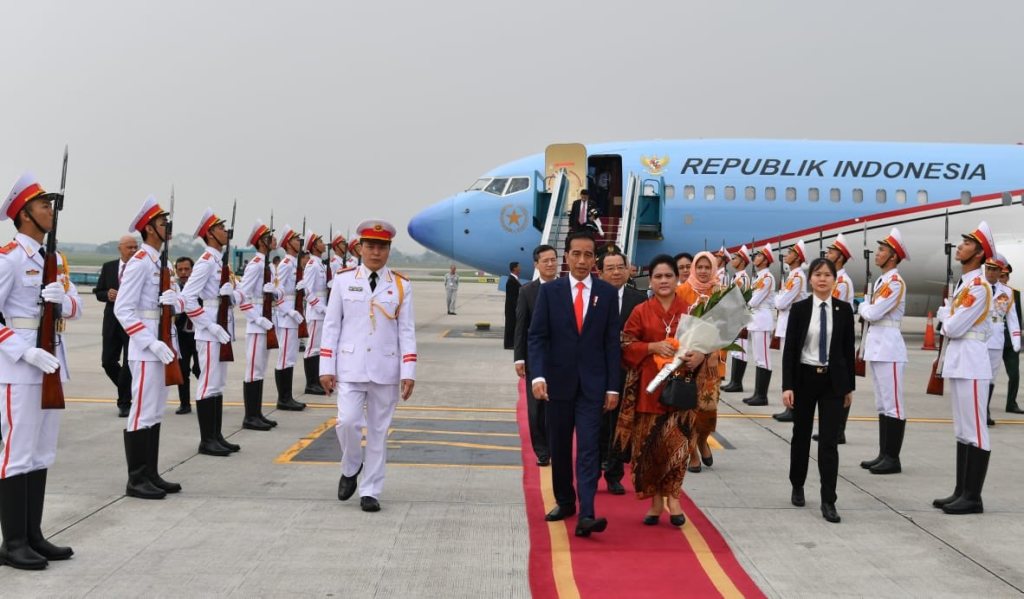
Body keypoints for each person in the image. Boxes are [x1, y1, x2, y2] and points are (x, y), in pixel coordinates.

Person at [0, 172, 83, 568]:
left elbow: (77, 309)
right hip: (19, 368)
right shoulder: (9, 259)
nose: (50, 210)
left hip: (51, 363)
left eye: (50, 204)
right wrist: (22, 351)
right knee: (17, 454)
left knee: (41, 454)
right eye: (43, 205)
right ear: (24, 214)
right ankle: (12, 542)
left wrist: (61, 300)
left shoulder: (53, 259)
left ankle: (33, 535)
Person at [528, 231, 621, 538]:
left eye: (588, 255)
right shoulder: (551, 292)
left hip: (593, 386)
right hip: (558, 383)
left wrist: (612, 387)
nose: (582, 261)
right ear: (566, 256)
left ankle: (588, 512)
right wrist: (538, 376)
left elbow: (611, 344)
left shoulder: (606, 295)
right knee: (559, 445)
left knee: (589, 449)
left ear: (595, 259)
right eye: (576, 254)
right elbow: (538, 337)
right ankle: (565, 501)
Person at [320, 220, 416, 513]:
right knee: (347, 422)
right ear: (360, 248)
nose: (376, 252)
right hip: (350, 365)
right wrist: (326, 366)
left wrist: (408, 371)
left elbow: (406, 331)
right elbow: (331, 325)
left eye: (382, 247)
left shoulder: (401, 285)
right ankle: (351, 466)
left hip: (385, 368)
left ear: (388, 250)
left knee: (378, 432)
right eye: (370, 246)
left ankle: (371, 489)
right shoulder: (343, 280)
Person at [616, 254, 716, 527]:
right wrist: (651, 347)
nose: (663, 281)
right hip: (650, 390)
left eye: (668, 276)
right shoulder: (641, 311)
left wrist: (698, 356)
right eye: (658, 276)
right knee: (648, 450)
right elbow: (626, 345)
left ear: (676, 279)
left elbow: (704, 345)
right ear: (651, 279)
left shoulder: (690, 310)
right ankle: (655, 501)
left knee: (678, 448)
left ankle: (673, 499)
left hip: (681, 391)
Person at [114, 196, 184, 500]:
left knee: (155, 411)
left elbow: (179, 300)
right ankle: (136, 478)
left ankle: (152, 473)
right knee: (141, 412)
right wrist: (150, 342)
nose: (167, 226)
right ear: (149, 228)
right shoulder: (140, 263)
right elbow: (123, 309)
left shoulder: (162, 262)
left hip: (163, 345)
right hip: (145, 349)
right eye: (162, 222)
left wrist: (175, 302)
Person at [781, 257, 855, 524]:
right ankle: (797, 484)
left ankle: (829, 500)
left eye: (827, 275)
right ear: (810, 279)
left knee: (828, 442)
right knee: (800, 435)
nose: (822, 279)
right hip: (804, 379)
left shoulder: (844, 310)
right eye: (817, 274)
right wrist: (787, 385)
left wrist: (848, 387)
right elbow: (789, 350)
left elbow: (847, 351)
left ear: (835, 280)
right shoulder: (799, 309)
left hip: (832, 382)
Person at [933, 221, 995, 515]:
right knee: (962, 430)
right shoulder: (965, 284)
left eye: (968, 243)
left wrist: (946, 319)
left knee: (976, 430)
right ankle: (961, 491)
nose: (960, 246)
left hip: (971, 362)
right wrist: (948, 319)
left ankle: (974, 497)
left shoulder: (979, 286)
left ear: (980, 253)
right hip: (959, 361)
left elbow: (954, 326)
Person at [181, 208, 243, 456]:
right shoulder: (206, 262)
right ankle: (206, 440)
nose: (225, 231)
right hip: (209, 331)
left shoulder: (219, 261)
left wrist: (232, 294)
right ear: (209, 233)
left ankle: (216, 435)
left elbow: (232, 295)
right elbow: (187, 298)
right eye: (219, 228)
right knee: (207, 383)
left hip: (221, 326)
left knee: (217, 383)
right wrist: (209, 325)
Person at [856, 228, 909, 475]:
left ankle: (893, 458)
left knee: (893, 404)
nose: (877, 255)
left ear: (893, 257)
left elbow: (874, 313)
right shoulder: (882, 281)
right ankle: (883, 454)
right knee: (882, 403)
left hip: (889, 347)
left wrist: (865, 306)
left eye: (881, 251)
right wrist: (868, 307)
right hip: (877, 346)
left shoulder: (895, 282)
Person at [596, 251, 646, 493]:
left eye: (620, 267)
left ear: (628, 270)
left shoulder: (639, 299)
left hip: (626, 371)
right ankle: (592, 471)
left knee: (621, 425)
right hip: (596, 371)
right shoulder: (593, 297)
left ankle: (614, 474)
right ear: (601, 272)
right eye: (610, 268)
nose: (616, 272)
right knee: (595, 423)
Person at [675, 251, 722, 472]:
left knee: (708, 409)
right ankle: (692, 450)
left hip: (712, 360)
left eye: (707, 267)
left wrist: (714, 352)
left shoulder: (721, 292)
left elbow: (726, 329)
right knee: (688, 408)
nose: (703, 271)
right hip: (688, 360)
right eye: (699, 267)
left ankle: (703, 439)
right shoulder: (681, 291)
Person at [514, 245, 558, 467]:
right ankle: (542, 451)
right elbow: (520, 326)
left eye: (553, 260)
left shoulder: (567, 288)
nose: (550, 264)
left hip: (561, 359)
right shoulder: (527, 291)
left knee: (558, 406)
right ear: (536, 264)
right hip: (536, 359)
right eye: (546, 261)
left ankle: (556, 447)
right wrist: (519, 358)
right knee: (536, 409)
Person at [236, 219, 279, 431]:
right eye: (270, 237)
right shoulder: (255, 265)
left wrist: (275, 292)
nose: (274, 240)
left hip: (267, 320)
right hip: (256, 325)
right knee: (253, 370)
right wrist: (256, 318)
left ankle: (257, 413)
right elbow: (242, 297)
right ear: (261, 241)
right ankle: (250, 416)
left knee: (260, 369)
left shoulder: (267, 264)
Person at [814, 233, 856, 444]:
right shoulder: (833, 278)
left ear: (840, 256)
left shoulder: (842, 281)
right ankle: (830, 428)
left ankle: (838, 430)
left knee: (839, 384)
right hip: (826, 333)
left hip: (836, 336)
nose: (828, 254)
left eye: (831, 252)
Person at [95, 235, 138, 417]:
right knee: (108, 362)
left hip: (132, 320)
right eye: (129, 247)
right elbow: (98, 292)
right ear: (120, 248)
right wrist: (107, 294)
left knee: (129, 363)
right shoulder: (109, 267)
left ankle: (124, 402)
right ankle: (128, 391)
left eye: (136, 247)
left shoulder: (140, 267)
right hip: (112, 320)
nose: (133, 251)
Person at [271, 225, 307, 411]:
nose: (299, 242)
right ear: (287, 243)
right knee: (285, 356)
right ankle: (283, 398)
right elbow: (278, 293)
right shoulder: (285, 264)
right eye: (295, 239)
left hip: (294, 313)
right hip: (286, 315)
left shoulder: (294, 263)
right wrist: (289, 311)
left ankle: (288, 396)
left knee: (291, 356)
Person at [772, 240, 809, 422]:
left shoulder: (797, 277)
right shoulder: (793, 276)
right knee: (789, 368)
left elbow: (780, 303)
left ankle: (794, 409)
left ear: (797, 257)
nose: (786, 255)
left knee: (792, 368)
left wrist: (779, 297)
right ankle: (790, 407)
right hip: (787, 324)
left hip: (792, 326)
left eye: (790, 252)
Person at [984, 253, 1019, 426]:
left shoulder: (1007, 292)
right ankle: (978, 409)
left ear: (1001, 272)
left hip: (996, 338)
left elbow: (1012, 318)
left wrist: (1016, 339)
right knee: (977, 376)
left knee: (990, 378)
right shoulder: (976, 286)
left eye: (994, 270)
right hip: (978, 337)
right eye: (988, 268)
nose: (990, 273)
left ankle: (985, 410)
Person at [743, 244, 777, 407]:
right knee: (758, 357)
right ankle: (757, 393)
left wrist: (744, 304)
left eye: (758, 255)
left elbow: (755, 300)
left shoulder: (767, 278)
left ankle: (762, 395)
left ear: (765, 260)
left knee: (763, 358)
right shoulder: (759, 278)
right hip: (756, 319)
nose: (754, 258)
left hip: (762, 319)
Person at [721, 245, 752, 393]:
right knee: (734, 351)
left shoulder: (743, 278)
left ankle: (737, 382)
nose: (732, 260)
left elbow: (739, 298)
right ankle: (734, 381)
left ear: (742, 261)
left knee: (740, 350)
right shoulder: (737, 277)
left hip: (739, 317)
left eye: (735, 258)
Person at [300, 231, 328, 396]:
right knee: (312, 348)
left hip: (321, 310)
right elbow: (307, 291)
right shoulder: (312, 264)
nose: (323, 244)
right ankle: (310, 384)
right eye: (320, 242)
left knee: (318, 348)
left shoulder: (319, 264)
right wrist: (320, 308)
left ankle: (316, 381)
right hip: (316, 312)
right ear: (314, 246)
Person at [173, 256, 200, 415]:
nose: (183, 273)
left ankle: (207, 399)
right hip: (182, 335)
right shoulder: (173, 289)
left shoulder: (200, 287)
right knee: (182, 370)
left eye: (187, 269)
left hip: (200, 334)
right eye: (180, 270)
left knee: (200, 369)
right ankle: (184, 403)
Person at [1000, 264, 1024, 414]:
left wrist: (1018, 339)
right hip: (992, 341)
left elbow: (1018, 318)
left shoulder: (1014, 294)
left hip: (1009, 342)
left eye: (1004, 276)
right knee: (987, 377)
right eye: (1000, 275)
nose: (1001, 279)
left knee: (1014, 374)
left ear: (1008, 278)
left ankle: (1011, 403)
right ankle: (983, 405)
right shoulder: (988, 291)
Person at [504, 261, 521, 350]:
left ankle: (511, 343)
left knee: (513, 325)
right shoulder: (511, 280)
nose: (520, 268)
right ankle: (508, 344)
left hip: (512, 307)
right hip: (511, 308)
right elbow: (512, 297)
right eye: (518, 267)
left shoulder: (514, 279)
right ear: (514, 268)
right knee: (510, 325)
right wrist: (517, 307)